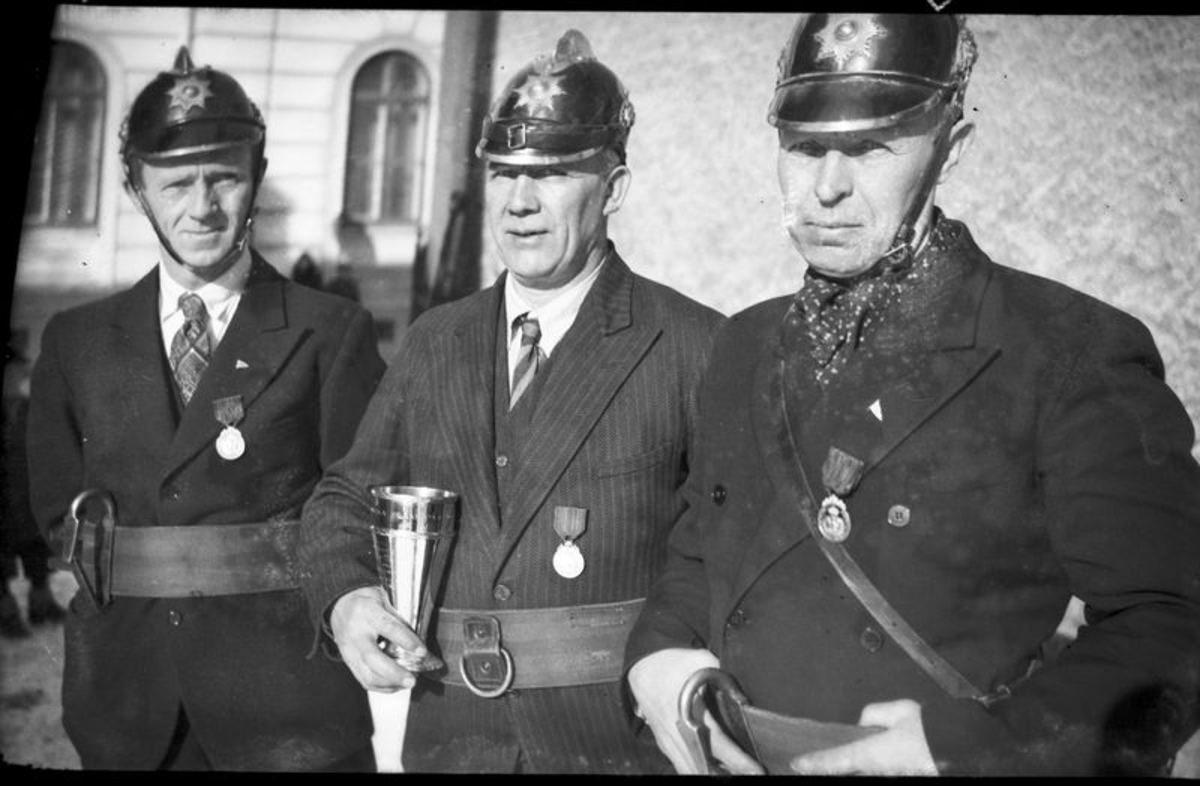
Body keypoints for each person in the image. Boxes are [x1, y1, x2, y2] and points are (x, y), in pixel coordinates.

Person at [625, 13, 1200, 778]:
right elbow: (699, 552)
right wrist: (657, 658)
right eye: (804, 147)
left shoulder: (1064, 351)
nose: (827, 187)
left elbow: (1170, 623)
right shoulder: (744, 344)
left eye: (870, 148)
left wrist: (970, 752)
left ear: (950, 149)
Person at [297, 29, 722, 774]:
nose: (519, 204)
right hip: (454, 742)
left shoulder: (692, 343)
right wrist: (347, 599)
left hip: (612, 745)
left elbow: (724, 551)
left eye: (551, 175)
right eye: (503, 173)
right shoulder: (437, 340)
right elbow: (343, 499)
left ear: (614, 189)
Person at [26, 47, 385, 771]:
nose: (202, 207)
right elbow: (57, 515)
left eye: (224, 177)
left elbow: (360, 506)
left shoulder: (329, 332)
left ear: (257, 178)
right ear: (135, 190)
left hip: (289, 711)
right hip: (132, 711)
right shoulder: (77, 343)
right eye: (175, 183)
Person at [1, 333, 64, 639]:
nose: (20, 376)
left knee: (37, 546)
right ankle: (6, 610)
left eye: (20, 370)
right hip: (3, 503)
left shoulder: (29, 409)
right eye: (14, 370)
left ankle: (42, 603)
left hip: (26, 496)